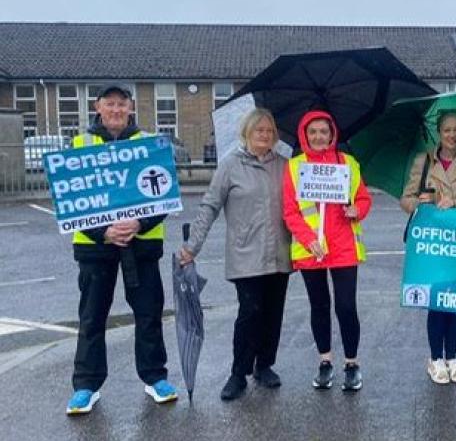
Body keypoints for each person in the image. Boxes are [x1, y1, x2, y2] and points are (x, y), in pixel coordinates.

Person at [66, 85, 176, 415]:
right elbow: (73, 199)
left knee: (148, 314)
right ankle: (86, 386)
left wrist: (139, 224)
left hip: (141, 245)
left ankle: (155, 377)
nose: (116, 109)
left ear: (130, 107)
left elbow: (164, 193)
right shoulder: (81, 144)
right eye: (109, 103)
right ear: (98, 107)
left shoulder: (149, 141)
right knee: (92, 317)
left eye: (121, 103)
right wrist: (104, 231)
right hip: (96, 248)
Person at [179, 108, 291, 401]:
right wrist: (193, 246)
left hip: (279, 251)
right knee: (250, 312)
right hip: (246, 253)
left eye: (269, 131)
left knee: (273, 312)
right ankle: (238, 372)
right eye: (259, 130)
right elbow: (210, 206)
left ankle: (264, 365)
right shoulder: (230, 165)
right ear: (247, 133)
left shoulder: (285, 165)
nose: (264, 136)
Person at [283, 110, 372, 392]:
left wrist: (357, 210)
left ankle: (351, 363)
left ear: (332, 134)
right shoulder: (295, 167)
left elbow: (363, 198)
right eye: (313, 132)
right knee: (319, 306)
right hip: (312, 249)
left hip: (344, 246)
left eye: (324, 131)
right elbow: (290, 211)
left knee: (346, 306)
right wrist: (309, 239)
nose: (318, 136)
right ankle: (324, 361)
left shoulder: (347, 163)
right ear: (304, 135)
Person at [400, 111, 456, 385]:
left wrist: (455, 203)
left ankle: (452, 356)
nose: (452, 135)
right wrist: (422, 202)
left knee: (455, 300)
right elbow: (406, 199)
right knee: (436, 302)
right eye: (447, 130)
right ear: (439, 132)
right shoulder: (423, 161)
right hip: (432, 242)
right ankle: (435, 358)